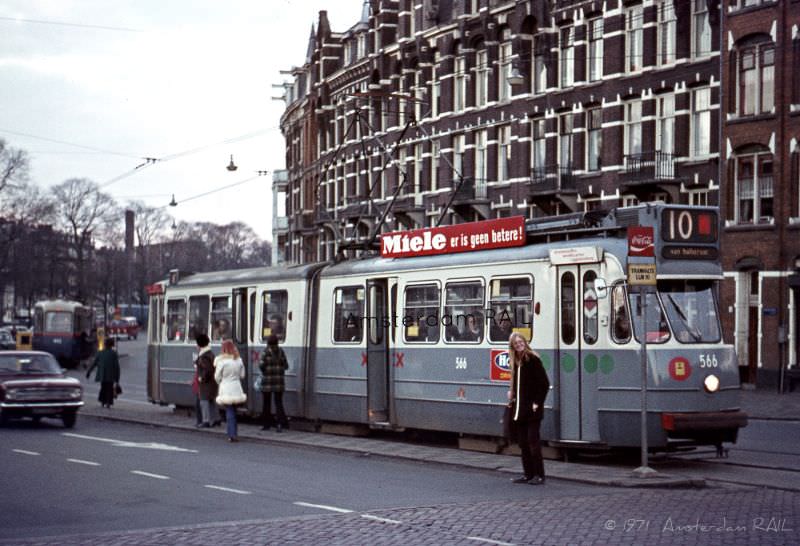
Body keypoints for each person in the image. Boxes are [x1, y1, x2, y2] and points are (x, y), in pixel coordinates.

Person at [507, 332, 550, 485]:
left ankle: (540, 475)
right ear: (512, 346)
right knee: (523, 443)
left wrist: (537, 402)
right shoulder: (516, 362)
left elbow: (544, 383)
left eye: (521, 342)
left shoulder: (532, 359)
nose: (519, 344)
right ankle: (528, 474)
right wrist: (511, 392)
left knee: (533, 441)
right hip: (520, 409)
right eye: (516, 343)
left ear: (525, 342)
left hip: (532, 409)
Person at [215, 339, 247, 442]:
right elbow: (242, 375)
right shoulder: (239, 360)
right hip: (236, 388)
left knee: (229, 411)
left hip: (226, 388)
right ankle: (234, 433)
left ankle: (232, 434)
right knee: (233, 410)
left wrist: (221, 381)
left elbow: (217, 377)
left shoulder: (222, 362)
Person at [259, 335, 289, 432]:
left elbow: (261, 365)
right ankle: (280, 424)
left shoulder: (265, 352)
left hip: (267, 382)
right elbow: (286, 366)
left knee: (266, 404)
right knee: (278, 403)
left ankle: (266, 424)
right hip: (279, 382)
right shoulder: (281, 352)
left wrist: (266, 371)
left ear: (268, 343)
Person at [85, 337, 121, 408]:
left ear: (105, 344)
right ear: (112, 345)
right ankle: (108, 402)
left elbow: (94, 363)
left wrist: (89, 372)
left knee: (103, 387)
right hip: (111, 375)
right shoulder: (114, 354)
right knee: (109, 388)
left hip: (102, 375)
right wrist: (117, 379)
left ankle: (102, 401)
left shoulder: (100, 353)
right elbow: (117, 367)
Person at [194, 334, 219, 428]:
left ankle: (206, 421)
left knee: (204, 401)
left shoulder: (204, 356)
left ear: (200, 345)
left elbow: (207, 369)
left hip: (206, 383)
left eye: (197, 344)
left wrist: (202, 378)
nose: (196, 346)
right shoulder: (210, 353)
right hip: (212, 382)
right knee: (212, 400)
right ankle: (216, 419)